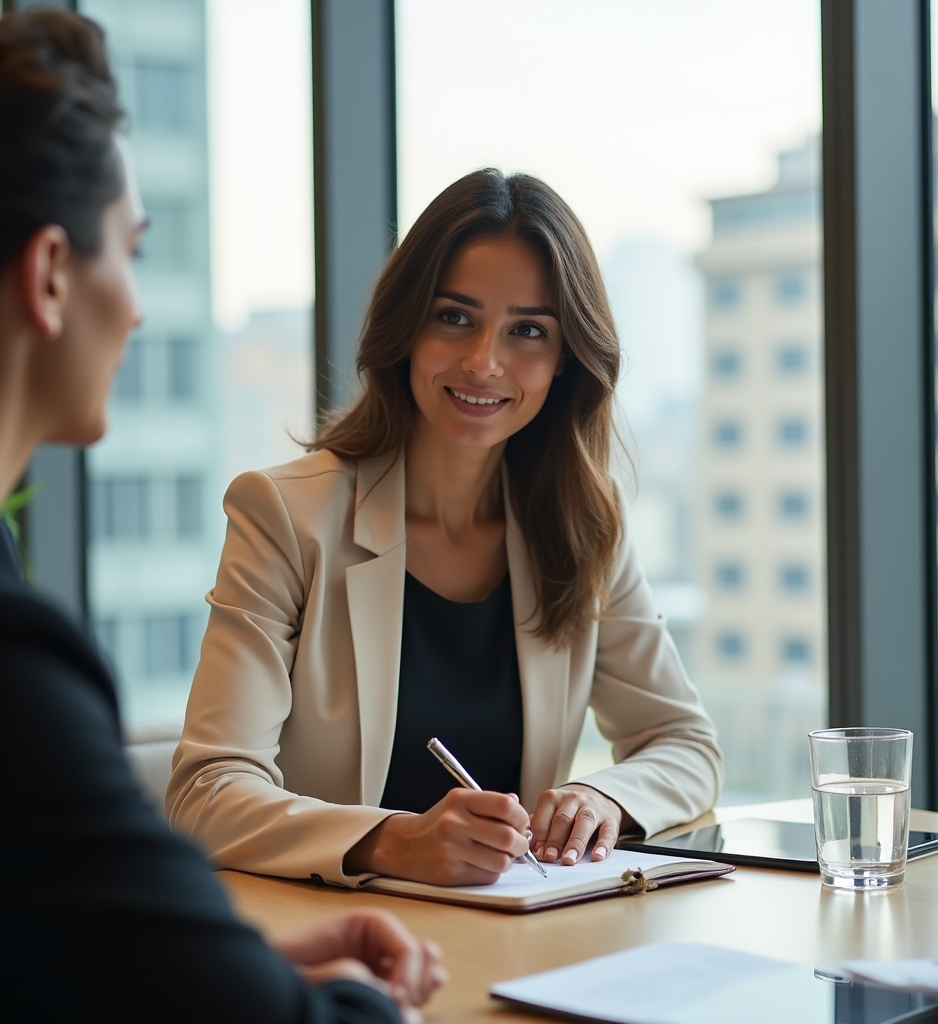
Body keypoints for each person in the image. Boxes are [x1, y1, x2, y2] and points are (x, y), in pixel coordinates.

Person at [0, 10, 444, 1022]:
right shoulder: (16, 657)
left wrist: (248, 965)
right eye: (135, 250)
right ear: (52, 275)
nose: (141, 306)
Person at [167, 167, 724, 889]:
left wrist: (603, 796)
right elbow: (206, 791)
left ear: (564, 362)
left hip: (511, 939)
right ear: (406, 327)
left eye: (528, 331)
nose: (484, 362)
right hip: (335, 945)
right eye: (454, 316)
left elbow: (685, 743)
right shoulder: (285, 515)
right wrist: (393, 842)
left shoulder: (586, 526)